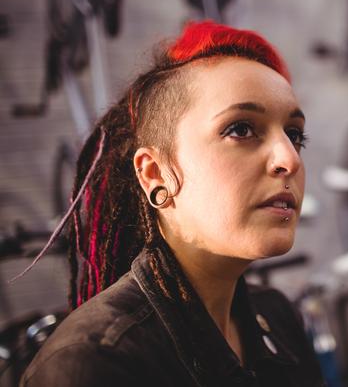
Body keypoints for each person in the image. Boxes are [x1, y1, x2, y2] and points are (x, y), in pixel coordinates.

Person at [20, 20, 326, 387]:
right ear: (155, 174)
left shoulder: (276, 317)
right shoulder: (93, 362)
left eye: (294, 135)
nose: (289, 159)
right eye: (241, 129)